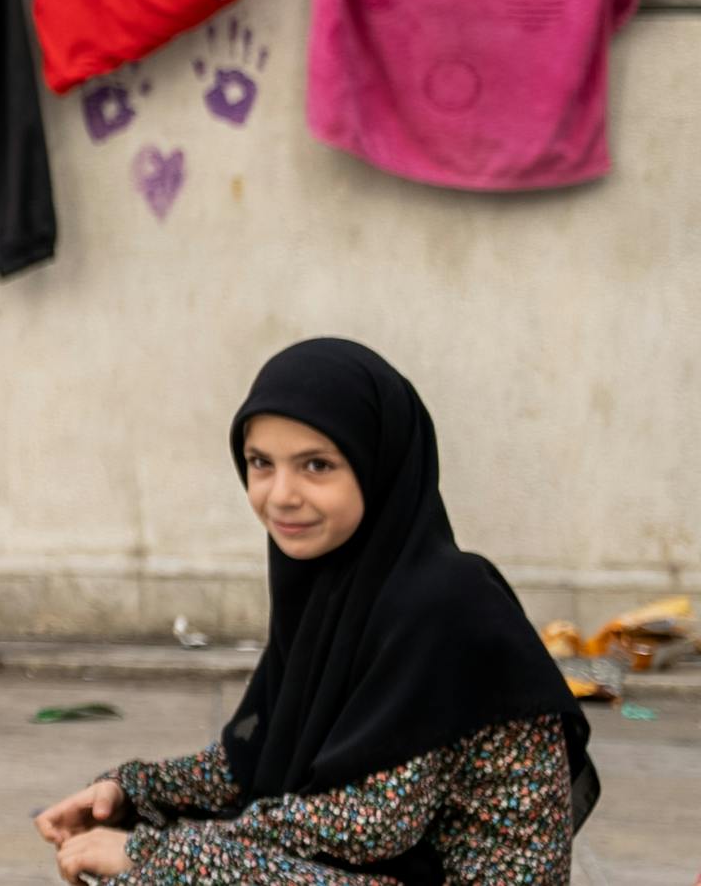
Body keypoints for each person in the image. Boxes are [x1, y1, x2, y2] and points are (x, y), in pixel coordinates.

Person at [36, 339, 600, 885]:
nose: (281, 494)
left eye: (316, 466)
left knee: (162, 873)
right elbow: (248, 761)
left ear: (378, 466)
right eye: (261, 463)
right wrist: (133, 792)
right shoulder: (331, 582)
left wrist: (155, 853)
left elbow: (366, 822)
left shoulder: (447, 603)